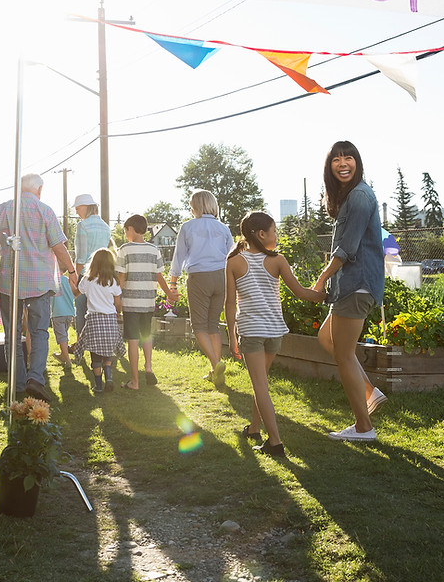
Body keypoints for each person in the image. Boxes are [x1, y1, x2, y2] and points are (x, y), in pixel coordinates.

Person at [226, 211, 326, 457]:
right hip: (274, 332)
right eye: (274, 231)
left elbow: (229, 304)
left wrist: (231, 337)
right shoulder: (278, 260)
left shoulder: (234, 262)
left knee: (260, 386)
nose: (277, 236)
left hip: (251, 331)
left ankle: (276, 443)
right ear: (261, 234)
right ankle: (254, 428)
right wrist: (326, 296)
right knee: (262, 383)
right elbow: (302, 292)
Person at [311, 141, 387, 442]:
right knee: (325, 338)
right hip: (349, 285)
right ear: (330, 166)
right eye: (337, 159)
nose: (343, 163)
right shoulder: (349, 197)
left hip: (357, 284)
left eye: (349, 157)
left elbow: (348, 248)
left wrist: (321, 278)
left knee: (343, 355)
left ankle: (364, 427)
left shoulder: (359, 196)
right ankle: (370, 391)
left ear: (357, 162)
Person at [0, 174, 78, 402]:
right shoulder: (45, 210)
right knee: (38, 333)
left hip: (9, 281)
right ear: (39, 190)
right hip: (39, 282)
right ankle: (35, 378)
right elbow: (58, 246)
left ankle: (17, 385)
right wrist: (73, 271)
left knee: (12, 336)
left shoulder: (1, 210)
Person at [169, 190, 234, 387]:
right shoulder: (223, 228)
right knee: (213, 325)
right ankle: (215, 372)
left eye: (191, 205)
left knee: (199, 326)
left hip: (199, 277)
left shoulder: (188, 227)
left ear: (196, 206)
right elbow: (232, 255)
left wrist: (172, 283)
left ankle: (216, 363)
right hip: (221, 276)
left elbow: (178, 256)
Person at [116, 214, 177, 389]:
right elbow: (159, 276)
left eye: (126, 230)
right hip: (148, 302)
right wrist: (169, 294)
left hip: (131, 302)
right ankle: (148, 367)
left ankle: (134, 381)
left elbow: (122, 277)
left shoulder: (124, 249)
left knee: (133, 340)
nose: (126, 234)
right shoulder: (154, 250)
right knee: (146, 336)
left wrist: (116, 299)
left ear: (130, 229)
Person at [75, 248, 123, 393]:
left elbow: (77, 293)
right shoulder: (113, 281)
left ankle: (98, 386)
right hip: (109, 320)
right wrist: (118, 312)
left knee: (95, 356)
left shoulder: (87, 280)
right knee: (108, 351)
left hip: (94, 320)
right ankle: (108, 377)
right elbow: (118, 301)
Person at [71, 193, 111, 353]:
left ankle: (80, 344)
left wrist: (74, 276)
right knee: (100, 308)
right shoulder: (106, 226)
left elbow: (81, 255)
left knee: (81, 309)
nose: (76, 212)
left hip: (86, 274)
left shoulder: (83, 226)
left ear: (86, 207)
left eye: (78, 208)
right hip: (104, 273)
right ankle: (102, 342)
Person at [51, 273, 75, 367]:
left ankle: (67, 360)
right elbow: (75, 293)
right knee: (64, 334)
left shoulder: (52, 281)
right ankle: (62, 355)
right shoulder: (68, 280)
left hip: (58, 312)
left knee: (62, 337)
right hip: (69, 312)